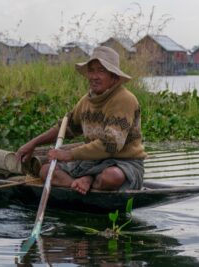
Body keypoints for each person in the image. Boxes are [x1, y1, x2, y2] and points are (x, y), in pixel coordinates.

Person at [16, 46, 147, 195]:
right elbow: (66, 127)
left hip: (123, 163)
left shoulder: (124, 99)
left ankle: (89, 179)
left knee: (112, 177)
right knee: (46, 170)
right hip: (91, 162)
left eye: (101, 71)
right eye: (91, 70)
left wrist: (69, 154)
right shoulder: (86, 101)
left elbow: (111, 144)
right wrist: (33, 143)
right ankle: (78, 183)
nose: (94, 76)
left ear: (114, 77)